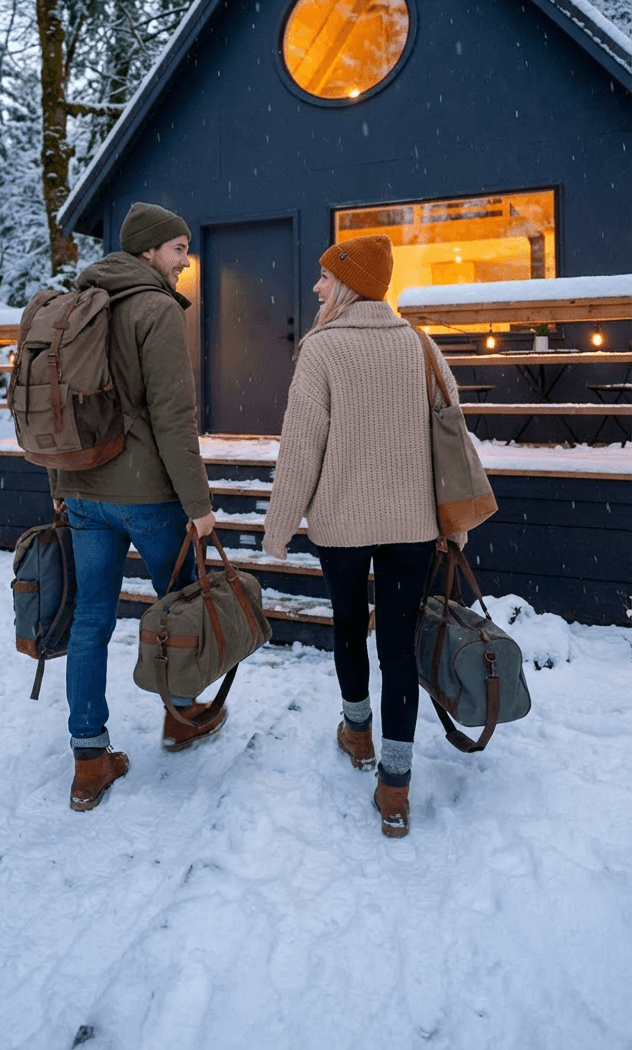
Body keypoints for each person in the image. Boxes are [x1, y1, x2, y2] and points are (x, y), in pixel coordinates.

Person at [262, 235, 460, 838]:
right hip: (412, 526)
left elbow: (300, 450)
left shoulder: (320, 352)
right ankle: (395, 786)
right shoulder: (421, 346)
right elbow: (452, 435)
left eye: (325, 277)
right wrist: (454, 523)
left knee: (349, 626)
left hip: (341, 525)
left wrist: (277, 531)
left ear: (348, 283)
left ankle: (357, 733)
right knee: (398, 646)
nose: (316, 287)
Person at [50, 202, 222, 813]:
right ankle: (180, 718)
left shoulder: (77, 304)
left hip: (82, 490)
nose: (184, 260)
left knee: (90, 619)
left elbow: (57, 402)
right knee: (180, 609)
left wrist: (60, 486)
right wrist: (198, 504)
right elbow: (175, 417)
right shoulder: (156, 310)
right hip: (147, 495)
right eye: (178, 249)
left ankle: (89, 759)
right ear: (150, 251)